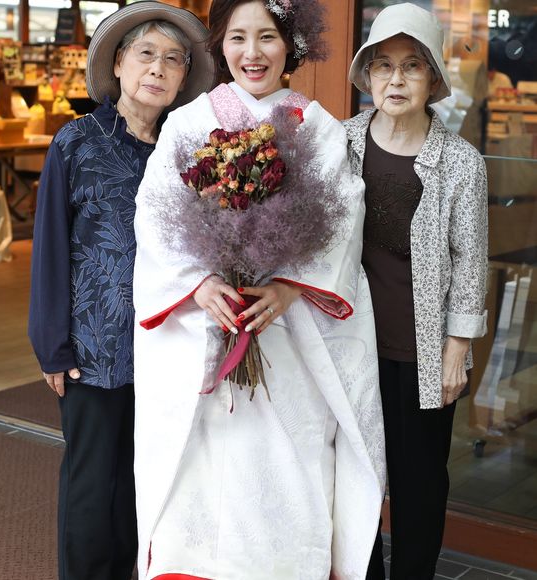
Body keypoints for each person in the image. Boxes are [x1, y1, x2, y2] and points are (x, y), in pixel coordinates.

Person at [132, 1, 386, 579]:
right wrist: (198, 285)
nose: (253, 53)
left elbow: (343, 217)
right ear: (220, 44)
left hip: (287, 332)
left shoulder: (316, 126)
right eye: (238, 38)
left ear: (290, 43)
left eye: (267, 37)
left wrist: (290, 289)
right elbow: (154, 213)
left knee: (287, 458)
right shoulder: (189, 122)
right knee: (200, 465)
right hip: (209, 323)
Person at [28, 3, 215, 579]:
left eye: (173, 60)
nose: (158, 69)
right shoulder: (76, 142)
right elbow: (50, 246)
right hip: (94, 348)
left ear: (183, 77)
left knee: (146, 482)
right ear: (117, 63)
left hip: (167, 346)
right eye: (146, 55)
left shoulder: (187, 151)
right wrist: (52, 345)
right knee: (92, 484)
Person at [343, 4, 488, 579]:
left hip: (423, 353)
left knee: (420, 484)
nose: (396, 79)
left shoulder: (461, 161)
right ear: (368, 75)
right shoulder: (342, 143)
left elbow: (470, 260)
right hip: (350, 345)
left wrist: (458, 347)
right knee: (353, 479)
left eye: (411, 66)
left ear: (431, 78)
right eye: (383, 65)